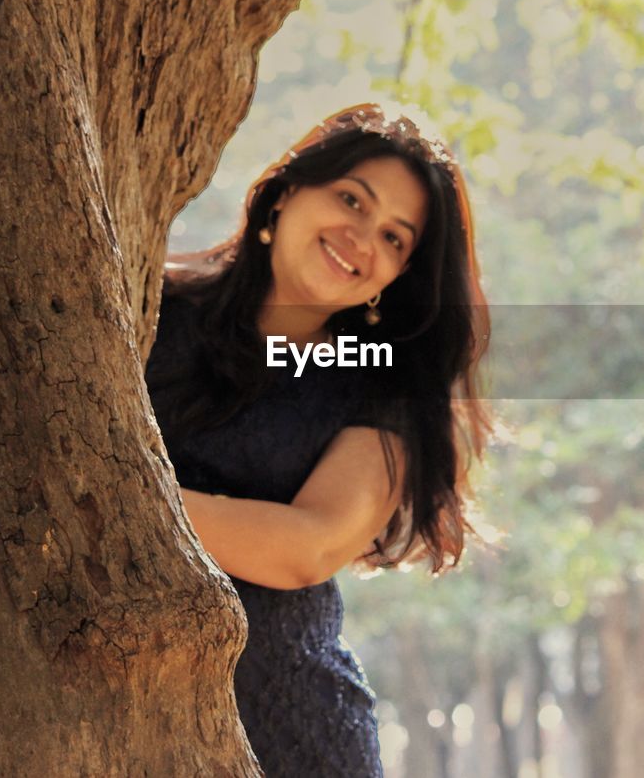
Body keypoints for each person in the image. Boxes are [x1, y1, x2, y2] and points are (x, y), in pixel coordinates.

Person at [144, 103, 490, 776]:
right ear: (286, 193)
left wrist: (117, 507)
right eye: (352, 200)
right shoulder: (149, 307)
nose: (363, 239)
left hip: (295, 736)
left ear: (396, 278)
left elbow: (309, 545)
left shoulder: (382, 387)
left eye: (395, 237)